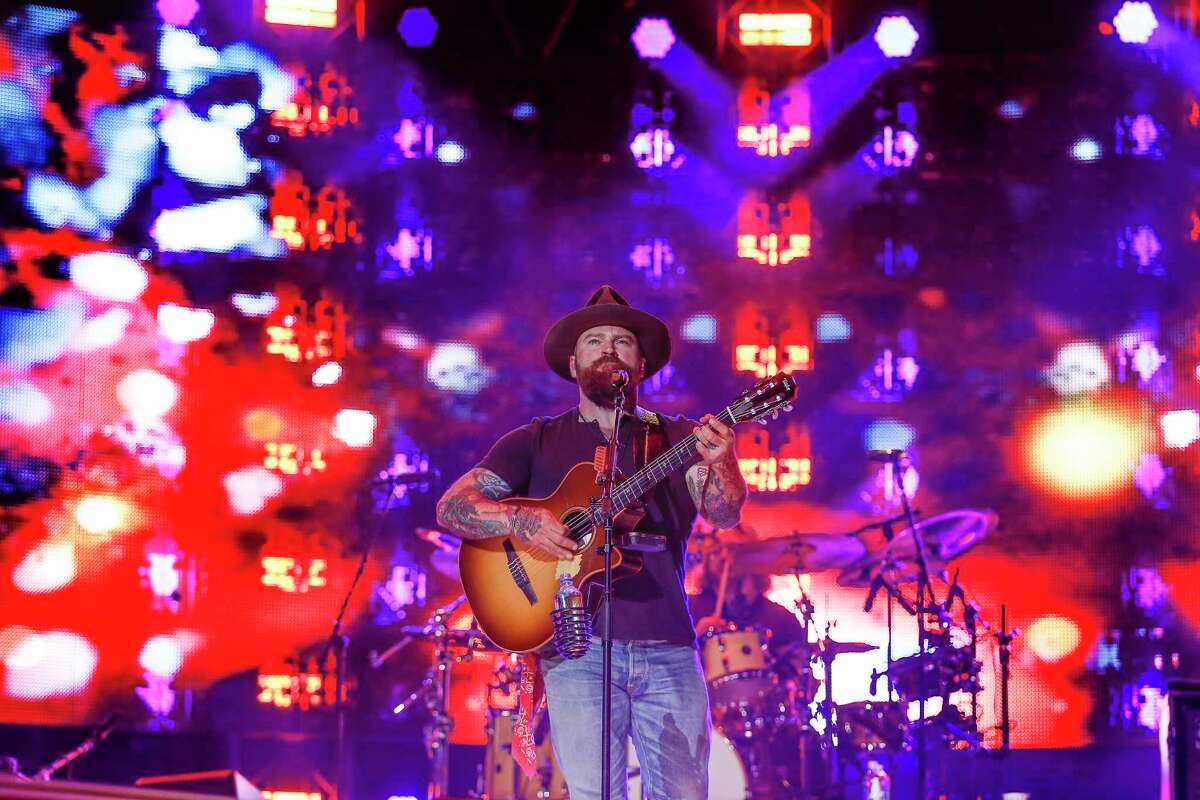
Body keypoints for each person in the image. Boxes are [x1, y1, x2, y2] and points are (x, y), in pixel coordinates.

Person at [436, 286, 748, 800]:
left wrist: (724, 463)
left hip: (667, 643)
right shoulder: (534, 440)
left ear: (641, 363)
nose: (608, 349)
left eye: (622, 341)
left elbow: (724, 513)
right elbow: (453, 507)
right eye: (595, 341)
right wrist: (520, 520)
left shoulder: (680, 437)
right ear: (573, 361)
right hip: (576, 647)